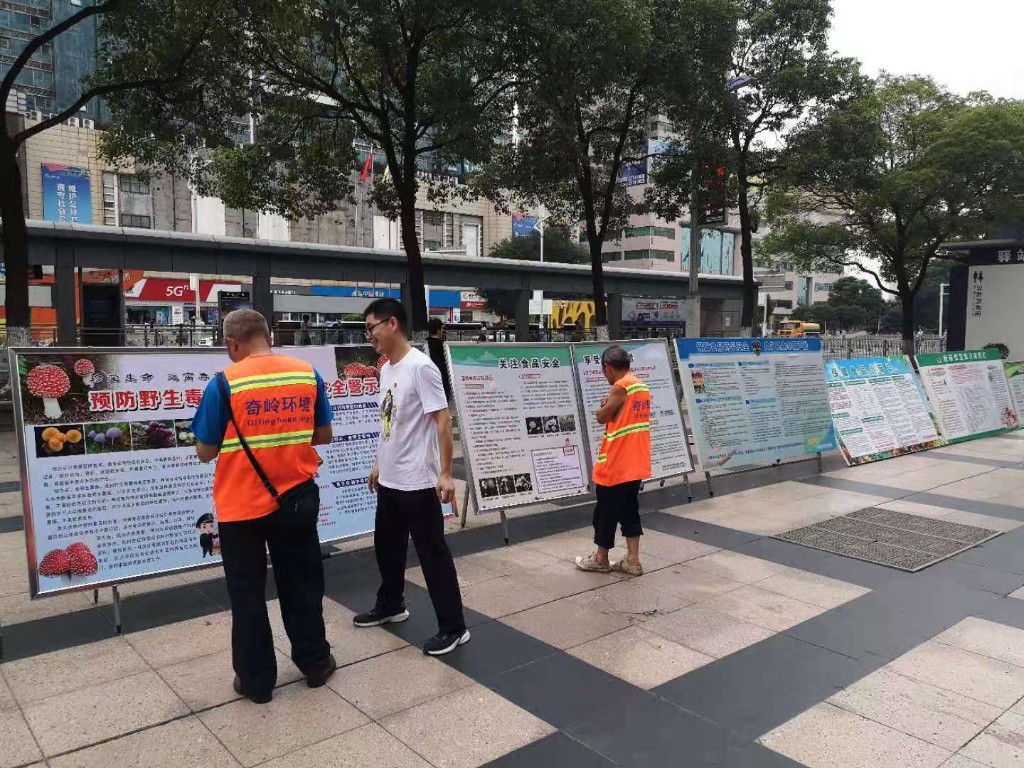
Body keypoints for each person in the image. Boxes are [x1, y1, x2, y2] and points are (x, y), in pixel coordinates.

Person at [192, 309, 336, 704]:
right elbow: (323, 435)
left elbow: (205, 451)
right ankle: (315, 663)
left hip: (241, 508)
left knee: (248, 595)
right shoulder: (306, 374)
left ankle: (256, 682)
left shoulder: (224, 384)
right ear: (267, 336)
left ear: (231, 343)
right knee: (302, 586)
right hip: (297, 502)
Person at [354, 298, 469, 656]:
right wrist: (378, 463)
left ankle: (454, 627)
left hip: (418, 481)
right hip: (390, 480)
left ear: (392, 324)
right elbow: (389, 423)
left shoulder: (421, 367)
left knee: (432, 556)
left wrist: (446, 473)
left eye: (371, 327)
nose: (369, 335)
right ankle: (391, 604)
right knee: (386, 549)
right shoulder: (387, 369)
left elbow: (442, 420)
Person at [576, 345, 652, 576]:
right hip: (635, 461)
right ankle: (633, 560)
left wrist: (603, 408)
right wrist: (610, 405)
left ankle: (601, 559)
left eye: (604, 371)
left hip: (617, 462)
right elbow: (623, 415)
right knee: (629, 509)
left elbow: (602, 417)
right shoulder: (641, 386)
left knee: (605, 512)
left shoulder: (621, 386)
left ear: (607, 367)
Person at [425, 317, 453, 403]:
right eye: (441, 328)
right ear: (438, 330)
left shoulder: (427, 343)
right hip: (441, 374)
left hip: (430, 374)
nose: (442, 331)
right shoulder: (442, 345)